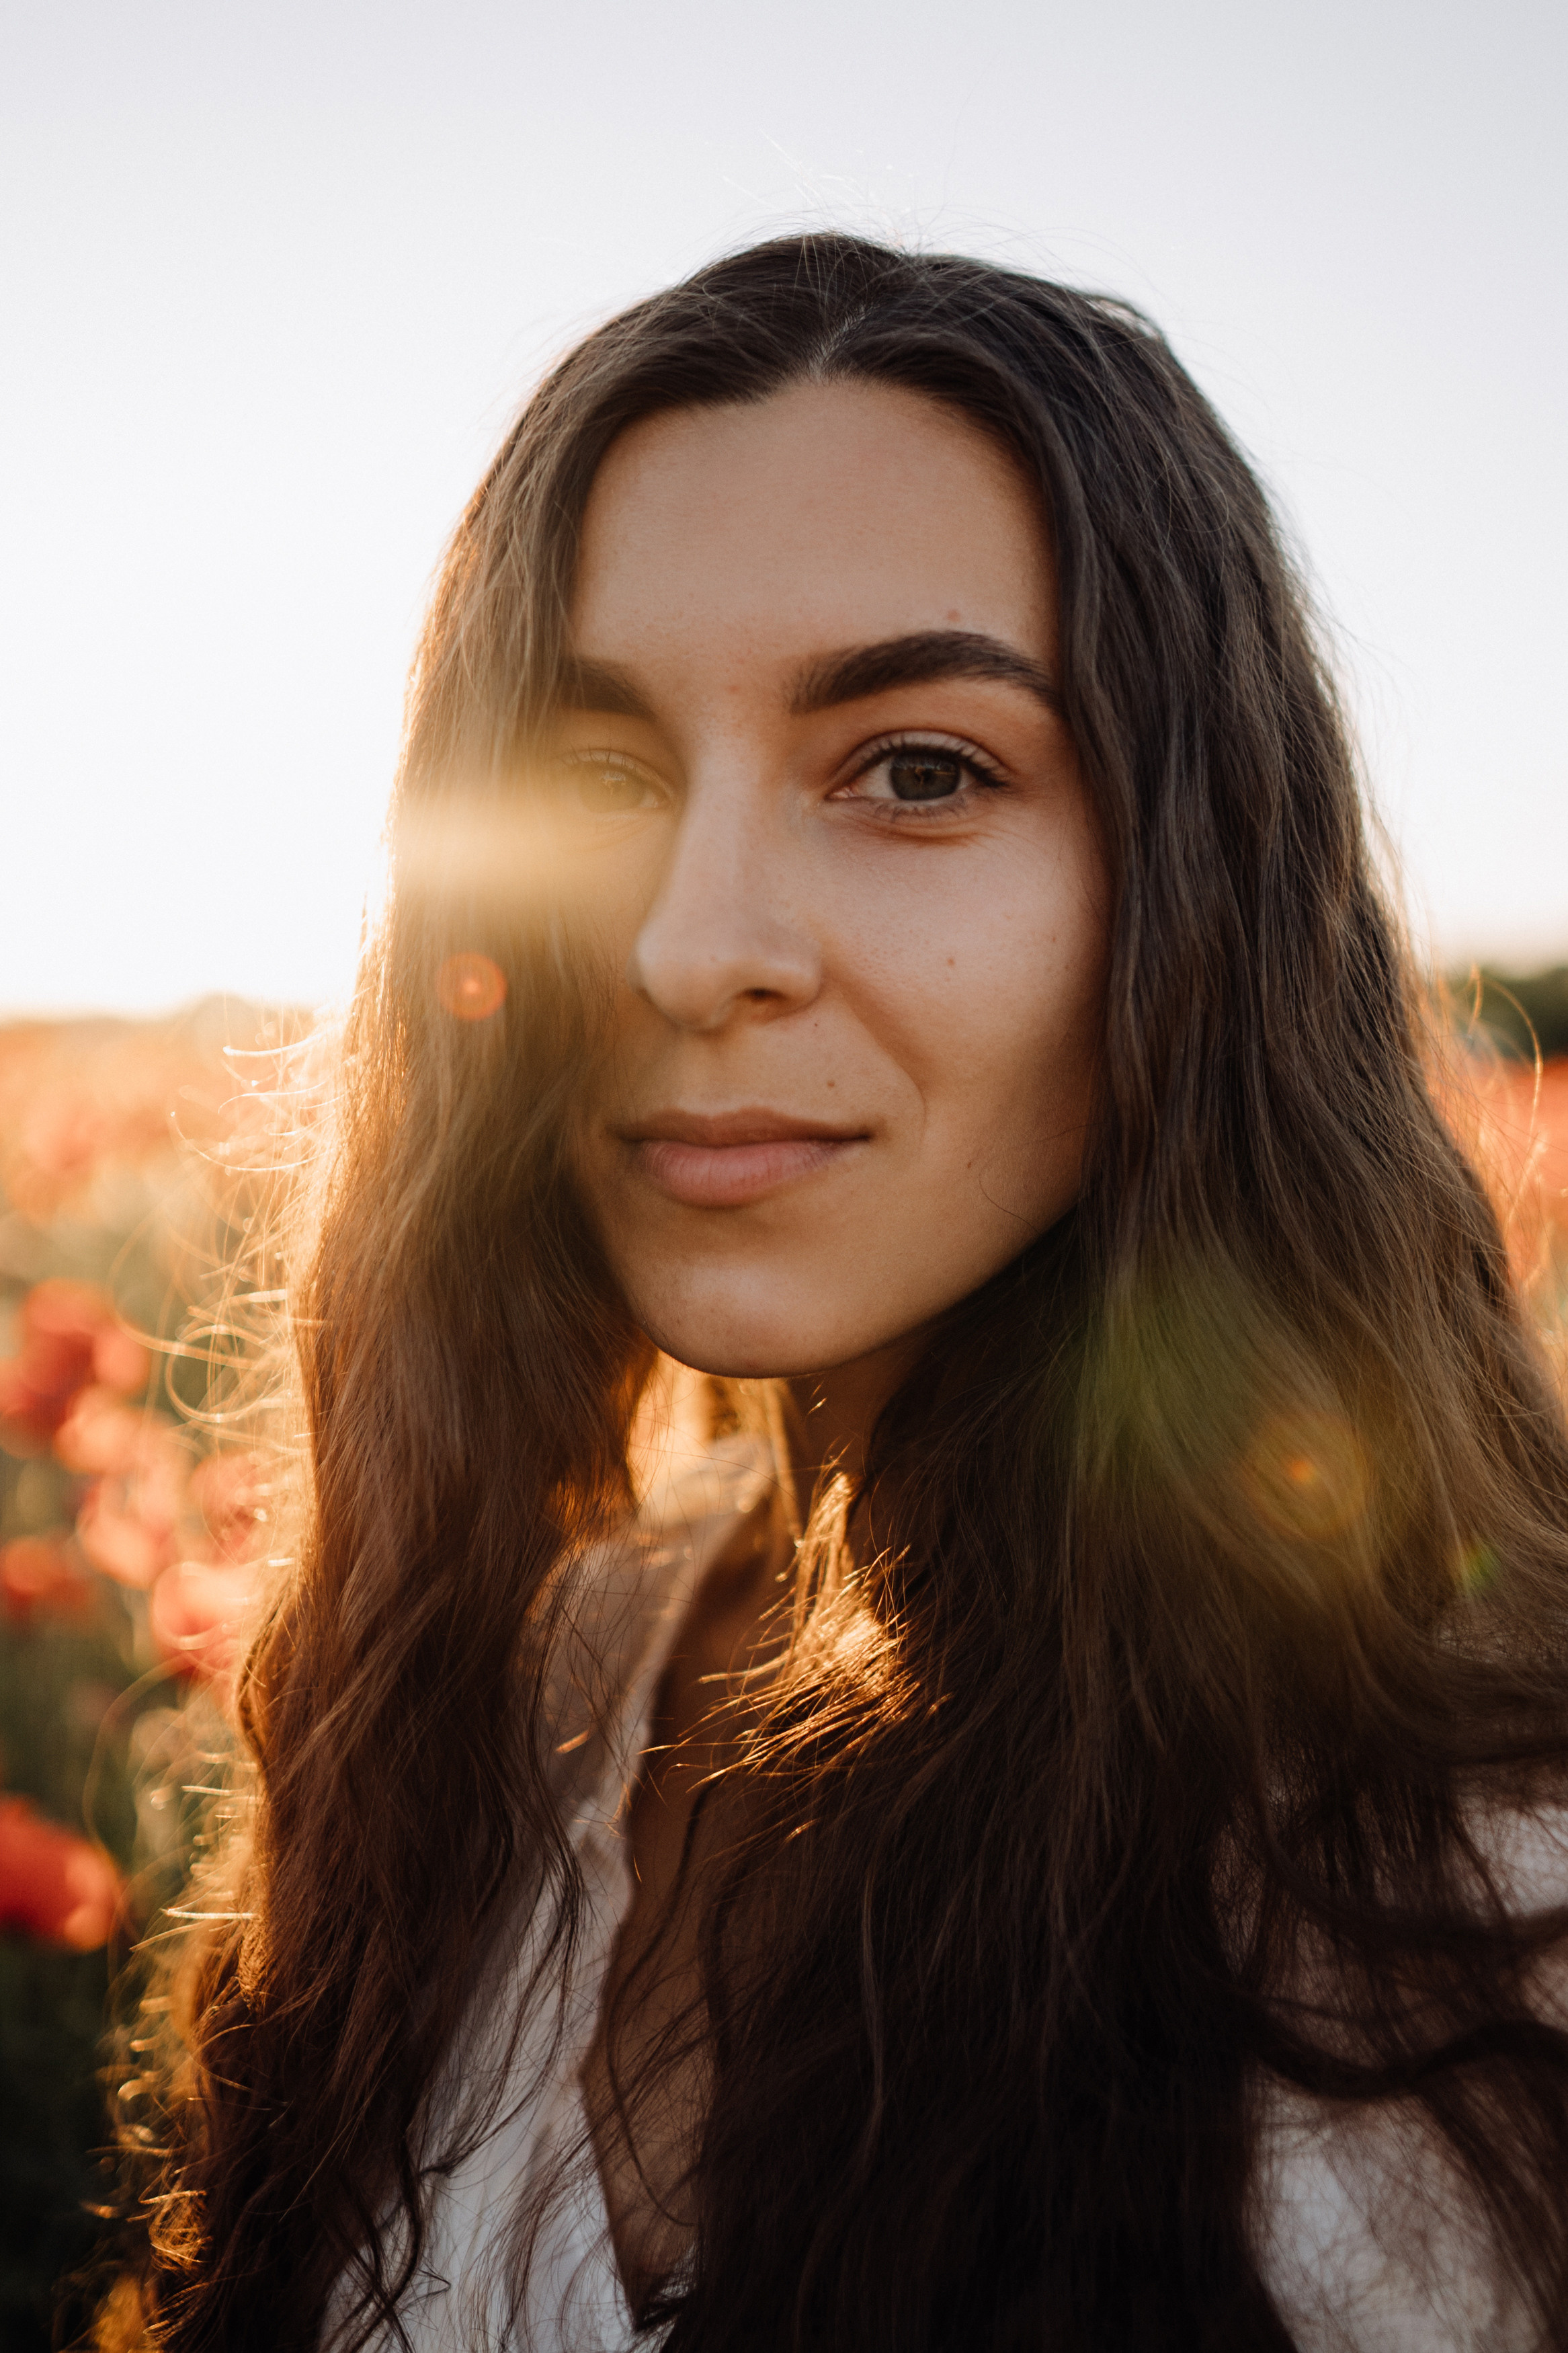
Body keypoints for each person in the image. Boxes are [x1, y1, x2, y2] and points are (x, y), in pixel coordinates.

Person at [103, 235, 1568, 2353]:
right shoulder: (522, 1692)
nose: (696, 947)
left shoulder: (1486, 1879)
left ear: (1192, 890)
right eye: (601, 777)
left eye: (916, 769)